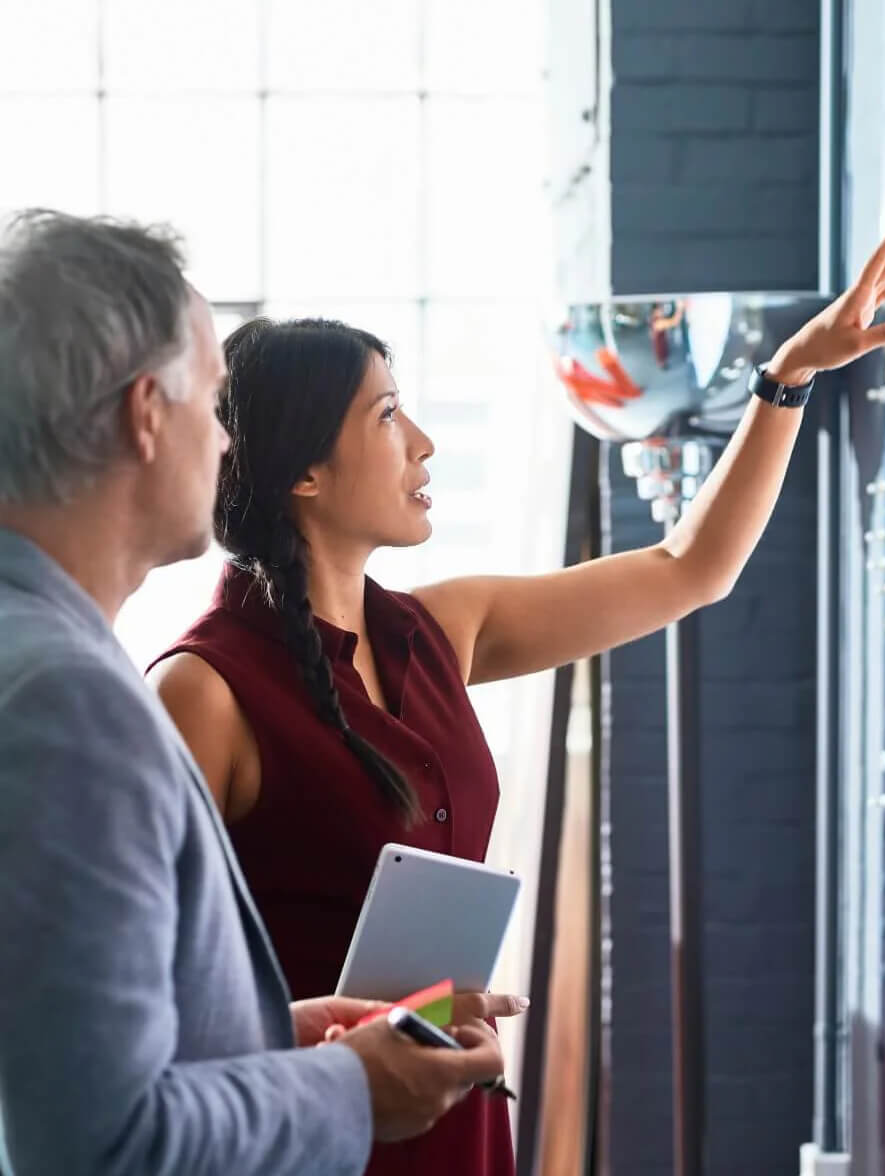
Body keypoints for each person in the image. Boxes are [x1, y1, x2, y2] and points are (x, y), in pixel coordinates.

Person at [151, 219, 885, 1176]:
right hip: (311, 1133)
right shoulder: (203, 692)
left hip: (457, 1111)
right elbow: (141, 995)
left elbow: (691, 569)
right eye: (389, 416)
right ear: (305, 473)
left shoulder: (443, 630)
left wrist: (787, 377)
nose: (425, 444)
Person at [0, 210, 506, 1176]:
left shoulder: (44, 653)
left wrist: (272, 1033)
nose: (232, 445)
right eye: (217, 405)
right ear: (147, 413)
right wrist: (355, 1087)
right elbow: (93, 1146)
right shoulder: (68, 705)